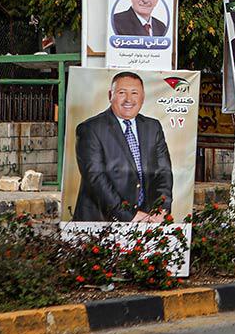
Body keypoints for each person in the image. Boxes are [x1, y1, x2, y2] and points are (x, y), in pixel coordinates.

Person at [72, 71, 173, 222]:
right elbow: (96, 177)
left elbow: (163, 172)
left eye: (134, 93)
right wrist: (129, 215)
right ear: (110, 95)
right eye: (121, 93)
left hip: (147, 219)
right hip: (100, 220)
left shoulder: (153, 127)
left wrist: (161, 208)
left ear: (143, 97)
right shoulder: (90, 129)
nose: (128, 99)